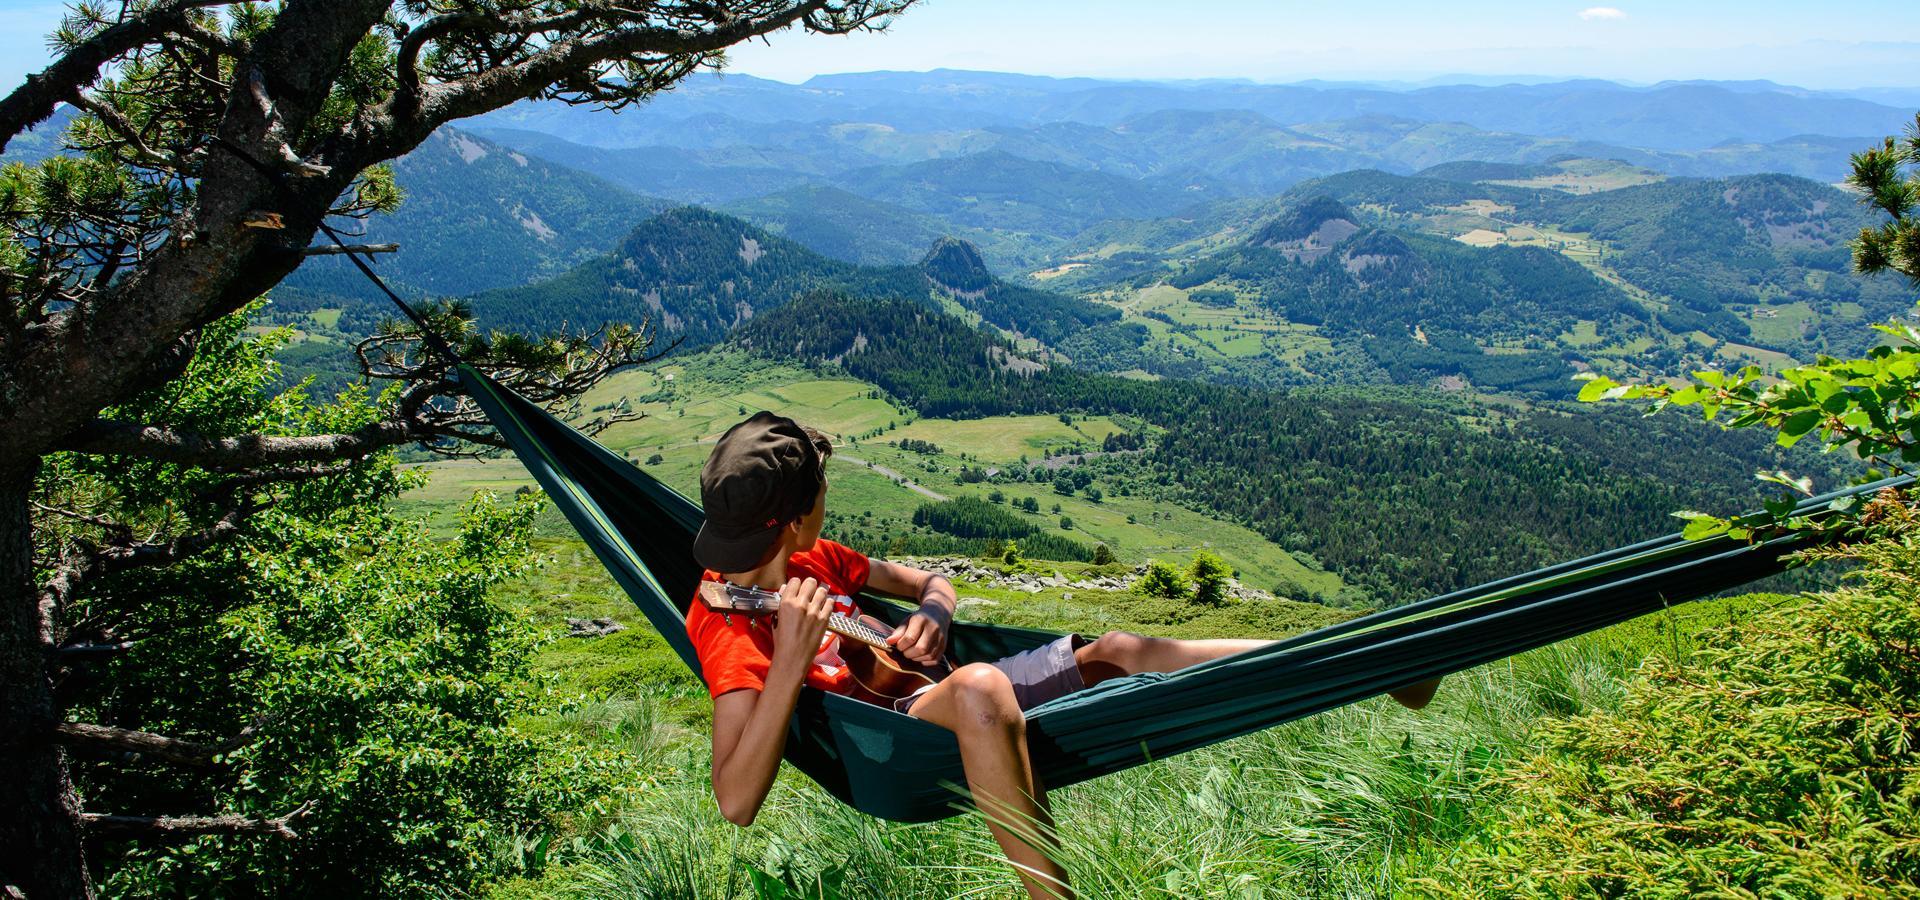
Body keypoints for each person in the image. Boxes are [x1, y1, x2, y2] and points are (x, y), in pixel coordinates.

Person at [687, 412, 1441, 900]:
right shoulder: (729, 627)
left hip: (939, 682)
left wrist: (932, 620)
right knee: (982, 687)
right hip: (906, 735)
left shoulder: (820, 561)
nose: (830, 502)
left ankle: (1360, 662)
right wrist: (789, 663)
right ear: (791, 521)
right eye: (822, 491)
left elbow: (932, 582)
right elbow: (735, 802)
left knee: (1118, 649)